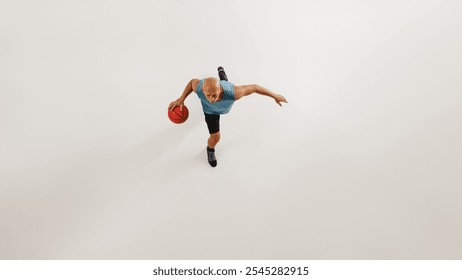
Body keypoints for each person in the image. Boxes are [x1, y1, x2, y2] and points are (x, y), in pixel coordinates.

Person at [168, 67, 287, 167]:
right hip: (210, 112)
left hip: (225, 95)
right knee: (215, 138)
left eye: (214, 95)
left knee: (225, 81)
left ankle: (222, 75)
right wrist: (181, 99)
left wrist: (274, 95)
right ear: (203, 90)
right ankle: (210, 149)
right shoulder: (199, 87)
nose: (211, 99)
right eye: (208, 95)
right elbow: (191, 82)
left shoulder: (234, 93)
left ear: (220, 90)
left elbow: (255, 87)